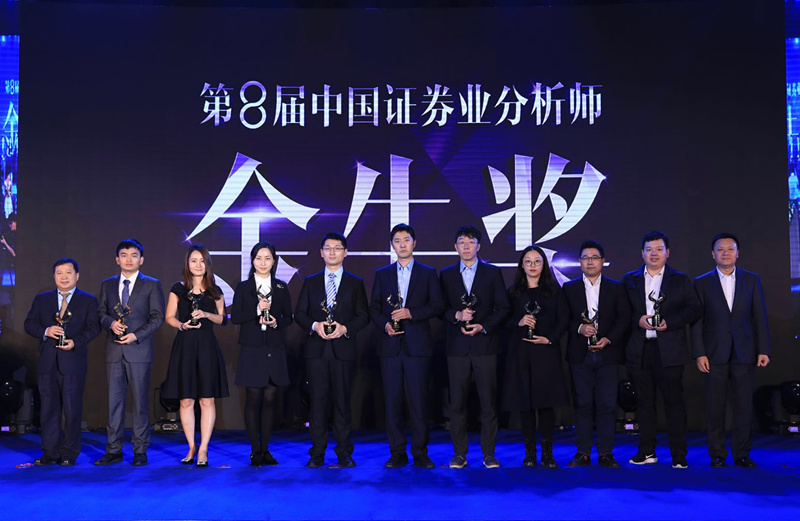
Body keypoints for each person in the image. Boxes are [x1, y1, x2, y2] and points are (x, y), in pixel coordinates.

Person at [623, 231, 701, 469]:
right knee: (644, 403)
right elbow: (621, 311)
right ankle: (646, 451)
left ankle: (678, 454)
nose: (653, 254)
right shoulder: (630, 279)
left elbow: (694, 309)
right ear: (642, 253)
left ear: (668, 253)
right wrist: (637, 319)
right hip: (640, 350)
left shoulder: (680, 279)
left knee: (673, 403)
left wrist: (670, 322)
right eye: (649, 250)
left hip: (670, 350)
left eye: (658, 249)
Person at [691, 233, 771, 468]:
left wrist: (763, 349)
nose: (725, 253)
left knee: (743, 406)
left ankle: (742, 454)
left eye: (730, 249)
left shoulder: (751, 279)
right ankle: (717, 454)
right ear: (712, 254)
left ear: (738, 253)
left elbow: (760, 316)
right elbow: (696, 322)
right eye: (720, 249)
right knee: (715, 407)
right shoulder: (702, 282)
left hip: (745, 352)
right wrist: (699, 352)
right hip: (713, 353)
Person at [369, 224, 445, 469]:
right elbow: (374, 308)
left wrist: (412, 313)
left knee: (418, 401)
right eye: (397, 240)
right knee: (392, 402)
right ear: (392, 245)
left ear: (415, 243)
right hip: (390, 346)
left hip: (418, 347)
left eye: (406, 240)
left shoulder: (427, 273)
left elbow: (437, 305)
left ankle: (420, 452)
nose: (402, 244)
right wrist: (386, 325)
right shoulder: (382, 274)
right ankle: (397, 453)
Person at [294, 232, 370, 468]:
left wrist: (345, 328)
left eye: (337, 248)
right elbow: (300, 314)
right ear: (321, 253)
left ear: (346, 252)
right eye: (328, 248)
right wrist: (315, 326)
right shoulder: (311, 281)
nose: (332, 252)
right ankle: (317, 453)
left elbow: (363, 316)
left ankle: (344, 452)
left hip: (343, 350)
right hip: (317, 352)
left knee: (342, 404)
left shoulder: (355, 283)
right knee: (317, 404)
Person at [440, 225, 509, 469]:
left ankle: (488, 453)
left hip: (485, 346)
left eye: (471, 242)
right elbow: (440, 308)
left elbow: (503, 307)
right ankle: (459, 453)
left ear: (479, 246)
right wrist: (456, 315)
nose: (466, 246)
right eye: (462, 242)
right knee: (457, 403)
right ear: (455, 247)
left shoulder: (492, 273)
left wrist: (483, 326)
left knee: (488, 402)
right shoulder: (446, 275)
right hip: (457, 347)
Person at [560, 240, 630, 468]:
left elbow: (624, 318)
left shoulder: (616, 287)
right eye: (585, 258)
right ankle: (582, 452)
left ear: (603, 261)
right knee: (582, 405)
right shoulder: (569, 288)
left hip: (608, 354)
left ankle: (606, 453)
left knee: (607, 405)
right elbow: (563, 319)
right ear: (579, 262)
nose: (590, 262)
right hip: (579, 355)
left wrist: (608, 339)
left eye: (594, 257)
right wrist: (580, 328)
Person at [95, 239, 165, 466]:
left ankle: (140, 450)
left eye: (134, 255)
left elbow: (158, 317)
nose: (128, 259)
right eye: (124, 255)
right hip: (114, 350)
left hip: (139, 350)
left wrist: (136, 335)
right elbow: (101, 311)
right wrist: (110, 323)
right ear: (117, 259)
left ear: (141, 260)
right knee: (114, 403)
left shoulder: (152, 285)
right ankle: (113, 450)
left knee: (140, 402)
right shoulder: (107, 284)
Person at [24, 258, 100, 466]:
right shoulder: (42, 299)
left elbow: (94, 328)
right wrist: (46, 331)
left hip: (73, 362)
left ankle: (69, 453)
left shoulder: (88, 300)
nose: (64, 277)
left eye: (68, 272)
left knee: (72, 410)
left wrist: (76, 342)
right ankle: (50, 452)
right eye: (59, 273)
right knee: (49, 409)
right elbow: (29, 324)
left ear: (77, 276)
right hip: (47, 362)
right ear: (54, 276)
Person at [162, 245, 229, 467]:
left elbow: (223, 319)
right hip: (185, 346)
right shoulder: (178, 288)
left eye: (202, 261)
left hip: (207, 346)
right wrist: (182, 325)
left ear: (207, 264)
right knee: (186, 399)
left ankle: (203, 449)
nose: (198, 265)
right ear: (187, 263)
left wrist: (207, 314)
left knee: (207, 399)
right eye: (194, 261)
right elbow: (169, 317)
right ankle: (191, 446)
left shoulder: (215, 290)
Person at [503, 245, 568, 468]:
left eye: (537, 261)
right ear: (522, 265)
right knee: (525, 404)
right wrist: (519, 322)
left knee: (546, 403)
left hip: (546, 352)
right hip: (521, 354)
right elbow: (504, 322)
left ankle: (547, 454)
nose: (533, 265)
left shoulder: (554, 290)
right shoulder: (513, 292)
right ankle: (529, 453)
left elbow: (563, 320)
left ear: (544, 265)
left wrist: (549, 339)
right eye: (528, 261)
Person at [230, 241, 293, 467]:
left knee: (269, 399)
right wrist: (257, 310)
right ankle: (255, 451)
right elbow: (236, 316)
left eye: (267, 258)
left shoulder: (281, 287)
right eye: (259, 258)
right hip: (252, 349)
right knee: (253, 398)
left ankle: (266, 450)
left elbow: (288, 317)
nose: (263, 262)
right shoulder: (244, 287)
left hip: (274, 349)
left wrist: (276, 322)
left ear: (274, 261)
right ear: (253, 260)